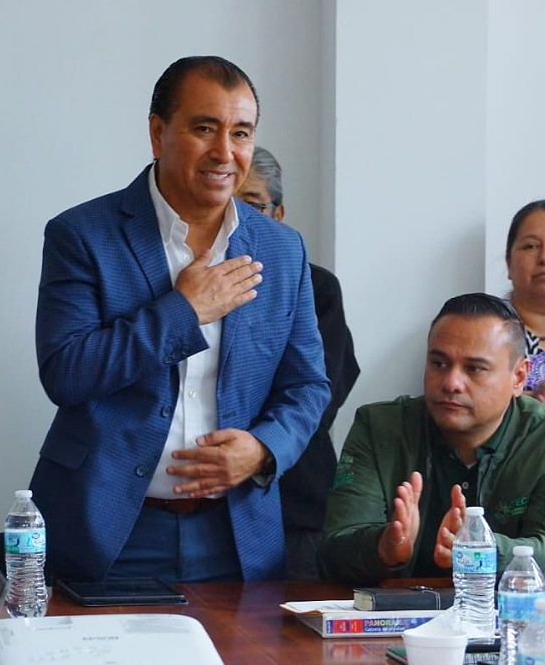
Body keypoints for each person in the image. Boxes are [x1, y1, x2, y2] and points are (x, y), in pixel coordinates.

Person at [30, 56, 330, 583]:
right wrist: (183, 312)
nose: (225, 152)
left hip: (236, 532)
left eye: (241, 133)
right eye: (204, 129)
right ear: (158, 133)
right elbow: (66, 372)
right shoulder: (83, 235)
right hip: (110, 529)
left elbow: (307, 387)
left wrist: (263, 449)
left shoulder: (283, 250)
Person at [318, 293, 545, 584]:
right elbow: (331, 554)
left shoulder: (539, 438)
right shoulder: (380, 428)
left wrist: (479, 550)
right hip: (397, 612)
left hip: (508, 611)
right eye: (439, 363)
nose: (451, 383)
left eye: (474, 369)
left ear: (519, 376)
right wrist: (384, 548)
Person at [237, 146, 360, 579]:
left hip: (294, 498)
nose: (238, 219)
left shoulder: (317, 287)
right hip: (202, 495)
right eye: (227, 204)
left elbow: (318, 396)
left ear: (279, 213)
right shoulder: (188, 285)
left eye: (252, 205)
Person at [506, 199, 545, 401]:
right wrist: (530, 402)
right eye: (531, 246)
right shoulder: (482, 333)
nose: (544, 257)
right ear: (508, 262)